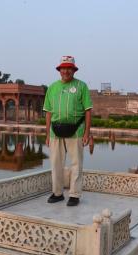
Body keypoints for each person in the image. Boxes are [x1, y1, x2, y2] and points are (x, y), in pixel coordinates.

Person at [44, 56, 92, 206]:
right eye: (63, 68)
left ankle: (74, 194)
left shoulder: (81, 86)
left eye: (69, 68)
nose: (66, 71)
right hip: (55, 131)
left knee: (76, 163)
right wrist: (47, 134)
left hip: (76, 129)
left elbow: (88, 111)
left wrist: (87, 133)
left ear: (73, 70)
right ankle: (57, 193)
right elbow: (48, 112)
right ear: (59, 70)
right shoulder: (52, 87)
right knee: (56, 163)